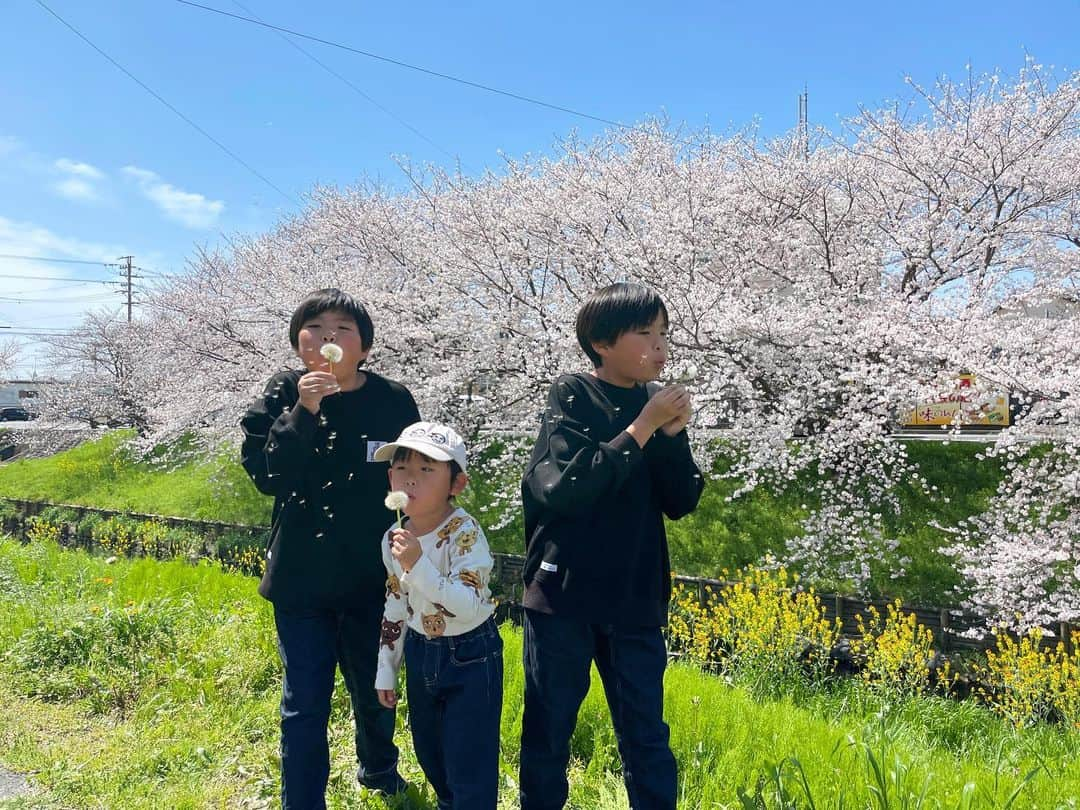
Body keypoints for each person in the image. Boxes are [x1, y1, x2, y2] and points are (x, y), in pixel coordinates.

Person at [518, 282, 705, 810]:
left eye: (664, 333)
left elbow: (681, 500)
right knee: (550, 727)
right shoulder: (573, 393)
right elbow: (566, 488)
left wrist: (670, 436)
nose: (660, 346)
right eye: (644, 333)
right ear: (601, 342)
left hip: (634, 596)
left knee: (646, 733)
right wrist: (643, 427)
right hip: (563, 595)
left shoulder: (656, 407)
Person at [240, 288, 420, 809]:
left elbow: (417, 470)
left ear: (363, 345)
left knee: (376, 683)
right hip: (303, 576)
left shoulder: (391, 398)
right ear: (298, 341)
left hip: (375, 575)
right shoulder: (283, 393)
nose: (328, 340)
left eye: (342, 330)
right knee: (305, 701)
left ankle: (380, 772)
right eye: (315, 329)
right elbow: (268, 475)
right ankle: (302, 800)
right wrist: (305, 407)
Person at [373, 422, 503, 810]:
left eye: (426, 470)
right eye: (401, 468)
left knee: (470, 759)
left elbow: (466, 602)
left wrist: (417, 564)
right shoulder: (392, 539)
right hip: (420, 650)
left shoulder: (465, 532)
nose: (410, 479)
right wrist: (386, 666)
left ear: (456, 484)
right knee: (430, 753)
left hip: (470, 654)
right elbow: (396, 601)